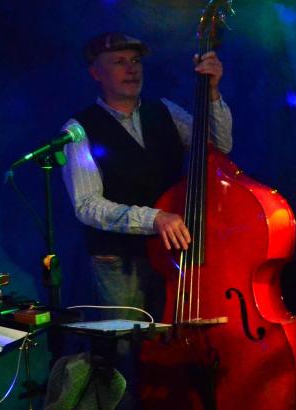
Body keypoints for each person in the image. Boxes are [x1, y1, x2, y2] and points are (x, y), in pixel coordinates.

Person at [62, 32, 232, 320]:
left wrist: (212, 92)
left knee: (175, 339)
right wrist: (154, 218)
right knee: (126, 349)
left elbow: (220, 145)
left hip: (174, 255)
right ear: (96, 73)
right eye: (119, 62)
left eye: (135, 60)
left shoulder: (165, 110)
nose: (132, 69)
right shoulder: (78, 130)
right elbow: (87, 205)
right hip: (119, 261)